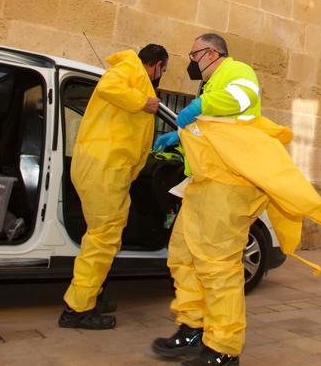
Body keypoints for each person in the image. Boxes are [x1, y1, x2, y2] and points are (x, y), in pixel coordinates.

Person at [150, 33, 264, 366]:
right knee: (182, 257)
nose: (192, 61)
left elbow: (241, 97)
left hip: (229, 184)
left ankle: (224, 348)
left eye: (194, 54)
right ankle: (192, 327)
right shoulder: (209, 87)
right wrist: (181, 138)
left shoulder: (235, 71)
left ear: (211, 53)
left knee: (218, 267)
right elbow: (210, 133)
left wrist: (197, 109)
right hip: (202, 183)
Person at [59, 44, 168, 330]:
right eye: (163, 70)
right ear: (156, 63)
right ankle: (78, 309)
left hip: (108, 169)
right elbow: (108, 86)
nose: (162, 76)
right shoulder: (130, 68)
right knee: (103, 237)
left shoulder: (134, 75)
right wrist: (142, 103)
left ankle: (91, 294)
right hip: (105, 168)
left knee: (106, 236)